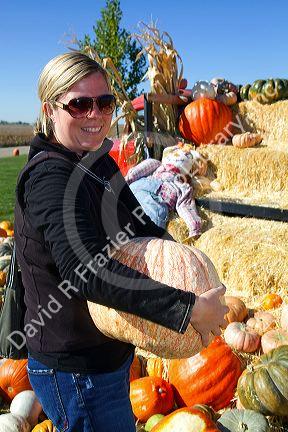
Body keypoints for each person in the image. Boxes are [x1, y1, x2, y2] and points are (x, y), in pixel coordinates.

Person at [14, 52, 228, 432]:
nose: (95, 115)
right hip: (76, 368)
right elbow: (86, 271)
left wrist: (186, 265)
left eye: (104, 102)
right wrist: (188, 308)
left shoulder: (98, 160)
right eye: (79, 104)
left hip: (109, 350)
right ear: (50, 109)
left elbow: (139, 223)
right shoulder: (49, 180)